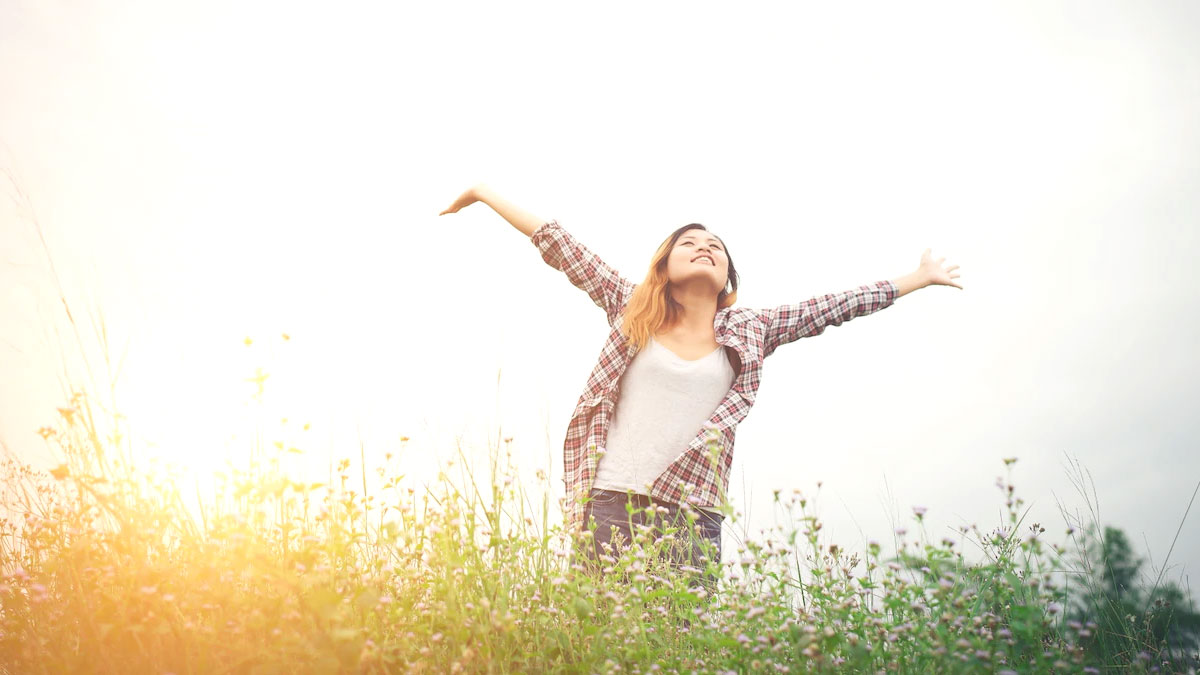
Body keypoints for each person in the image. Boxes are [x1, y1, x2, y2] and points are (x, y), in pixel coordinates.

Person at [438, 183, 963, 587]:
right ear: (664, 266)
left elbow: (832, 307)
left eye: (715, 246)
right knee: (599, 643)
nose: (705, 247)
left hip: (694, 517)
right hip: (611, 503)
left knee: (676, 648)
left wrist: (917, 277)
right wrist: (484, 194)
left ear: (728, 277)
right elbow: (560, 245)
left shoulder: (751, 330)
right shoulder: (632, 309)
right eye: (689, 243)